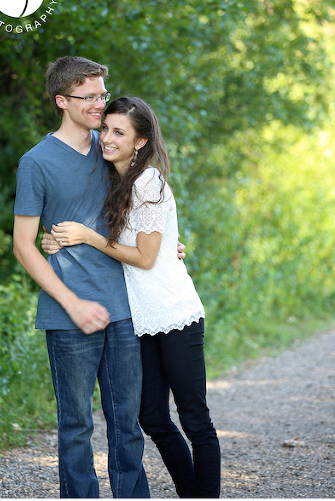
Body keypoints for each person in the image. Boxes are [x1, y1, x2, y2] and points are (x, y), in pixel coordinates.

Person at [44, 97, 221, 497]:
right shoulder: (114, 181)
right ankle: (191, 492)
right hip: (140, 319)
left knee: (195, 419)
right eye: (105, 128)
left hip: (175, 313)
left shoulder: (148, 181)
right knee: (153, 417)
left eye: (118, 132)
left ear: (140, 141)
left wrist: (91, 237)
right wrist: (52, 238)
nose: (106, 137)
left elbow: (144, 257)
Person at [13, 56, 150, 498]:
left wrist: (166, 250)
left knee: (127, 424)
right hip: (68, 313)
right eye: (88, 97)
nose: (99, 105)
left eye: (102, 95)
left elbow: (148, 206)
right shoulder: (36, 162)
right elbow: (23, 245)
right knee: (75, 427)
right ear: (61, 100)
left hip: (125, 305)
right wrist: (72, 304)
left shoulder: (113, 146)